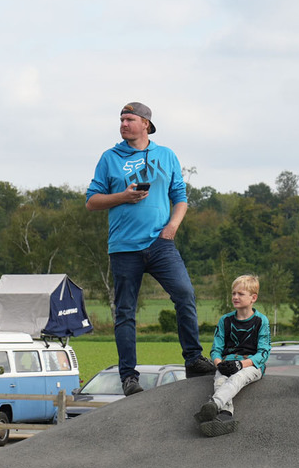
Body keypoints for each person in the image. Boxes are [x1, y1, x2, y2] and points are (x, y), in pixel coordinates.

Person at [85, 102, 215, 396]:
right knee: (125, 312)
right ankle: (129, 377)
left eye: (129, 119)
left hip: (160, 242)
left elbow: (180, 197)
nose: (123, 124)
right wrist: (122, 196)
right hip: (124, 246)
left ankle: (194, 359)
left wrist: (173, 226)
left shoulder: (166, 155)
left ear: (146, 123)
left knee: (184, 293)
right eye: (121, 119)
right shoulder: (109, 158)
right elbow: (91, 201)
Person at [193, 275, 271, 437]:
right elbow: (216, 349)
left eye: (240, 294)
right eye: (233, 293)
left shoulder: (261, 321)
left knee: (238, 378)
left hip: (251, 365)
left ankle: (213, 404)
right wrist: (219, 364)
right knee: (220, 380)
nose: (235, 297)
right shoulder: (225, 320)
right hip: (227, 363)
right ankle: (226, 416)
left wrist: (241, 364)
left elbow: (263, 353)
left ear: (253, 298)